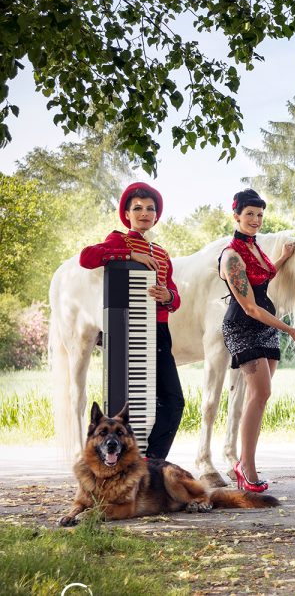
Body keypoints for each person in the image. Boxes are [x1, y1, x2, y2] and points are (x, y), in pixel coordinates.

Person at [79, 182, 185, 461]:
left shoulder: (162, 253)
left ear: (156, 215)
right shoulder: (119, 240)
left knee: (173, 400)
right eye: (137, 208)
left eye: (150, 209)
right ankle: (118, 459)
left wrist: (168, 295)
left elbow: (175, 300)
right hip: (127, 327)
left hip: (159, 330)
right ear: (127, 214)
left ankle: (152, 460)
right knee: (127, 398)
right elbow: (86, 258)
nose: (144, 213)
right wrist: (129, 255)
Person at [217, 189, 295, 493]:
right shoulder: (231, 255)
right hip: (244, 327)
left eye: (259, 215)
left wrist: (283, 257)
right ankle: (246, 468)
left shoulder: (254, 248)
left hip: (266, 327)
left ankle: (244, 462)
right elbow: (250, 307)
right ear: (236, 216)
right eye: (249, 214)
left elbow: (264, 276)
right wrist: (289, 329)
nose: (255, 220)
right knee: (260, 393)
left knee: (259, 398)